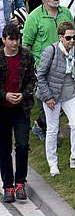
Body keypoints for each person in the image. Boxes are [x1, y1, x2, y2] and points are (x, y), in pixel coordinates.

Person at [36, 22, 75, 176]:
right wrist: (47, 97)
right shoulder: (50, 51)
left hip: (70, 93)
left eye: (74, 37)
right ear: (60, 37)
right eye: (68, 37)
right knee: (52, 129)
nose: (72, 40)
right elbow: (41, 76)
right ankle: (53, 163)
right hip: (52, 95)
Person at [0, 24, 35, 203]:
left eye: (17, 39)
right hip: (3, 109)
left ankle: (20, 182)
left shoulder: (26, 56)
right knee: (4, 149)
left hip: (21, 108)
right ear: (4, 39)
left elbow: (31, 80)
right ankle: (8, 186)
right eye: (11, 39)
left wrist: (23, 94)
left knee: (22, 145)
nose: (14, 43)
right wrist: (5, 95)